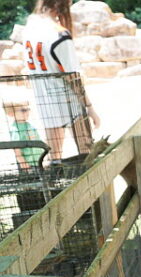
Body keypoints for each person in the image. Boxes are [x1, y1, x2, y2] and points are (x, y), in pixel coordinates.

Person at [23, 0, 101, 163]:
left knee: (54, 158)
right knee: (87, 155)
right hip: (68, 100)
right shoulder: (58, 34)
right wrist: (90, 107)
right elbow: (72, 77)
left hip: (44, 100)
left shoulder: (30, 27)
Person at [3, 99, 44, 169]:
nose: (27, 112)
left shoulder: (29, 125)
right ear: (12, 113)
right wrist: (22, 161)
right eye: (23, 110)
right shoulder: (15, 129)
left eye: (28, 109)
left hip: (38, 161)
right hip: (27, 164)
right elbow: (16, 147)